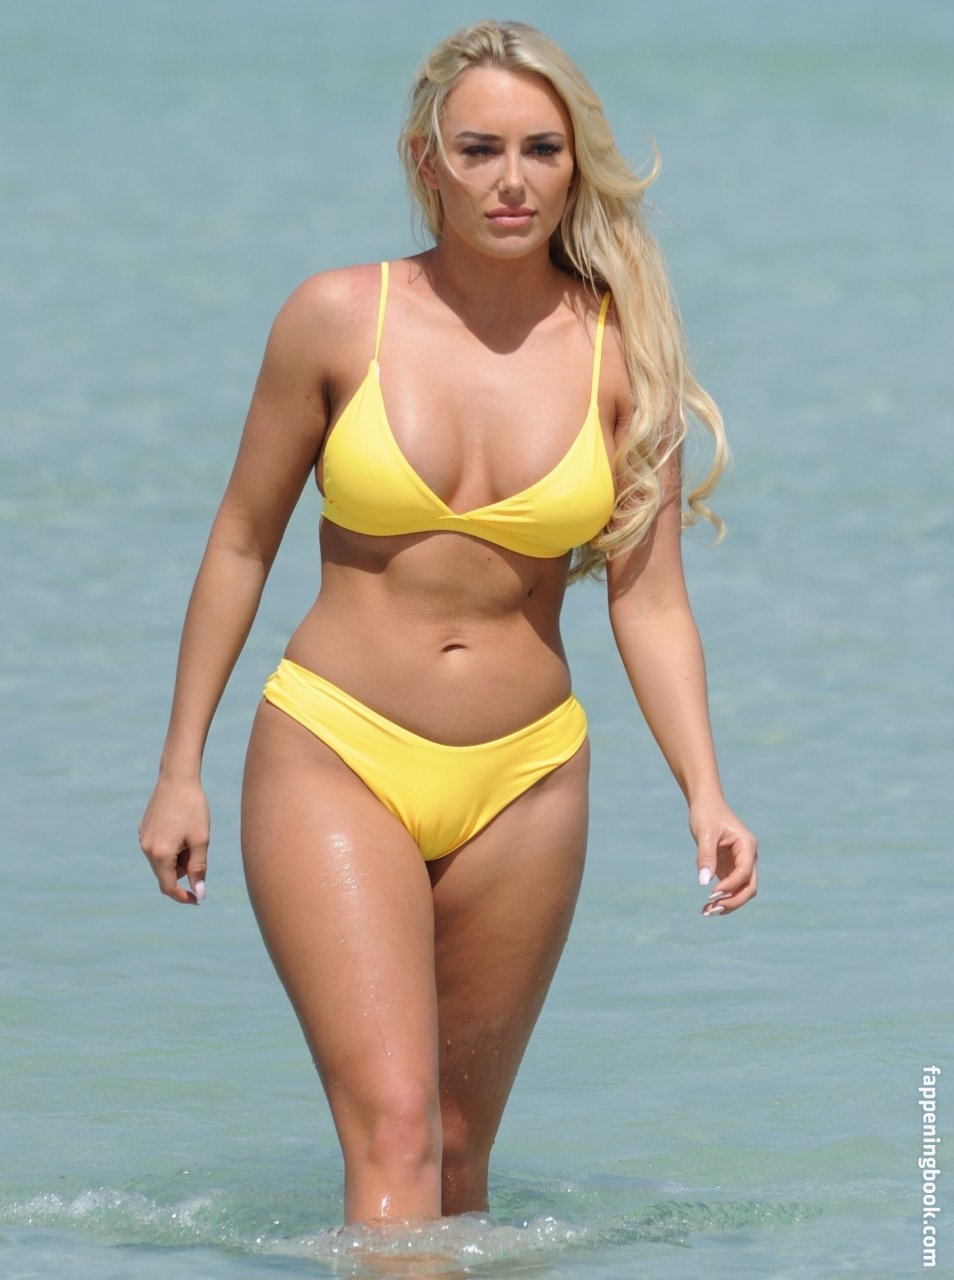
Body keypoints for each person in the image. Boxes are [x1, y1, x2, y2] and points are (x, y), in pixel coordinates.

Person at [138, 19, 757, 1227]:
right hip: (335, 749)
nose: (510, 181)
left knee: (460, 1156)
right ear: (428, 160)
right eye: (479, 150)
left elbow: (650, 597)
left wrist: (707, 790)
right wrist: (179, 768)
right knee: (397, 1128)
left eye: (540, 150)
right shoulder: (335, 316)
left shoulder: (624, 353)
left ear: (575, 167)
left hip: (529, 778)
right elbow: (242, 540)